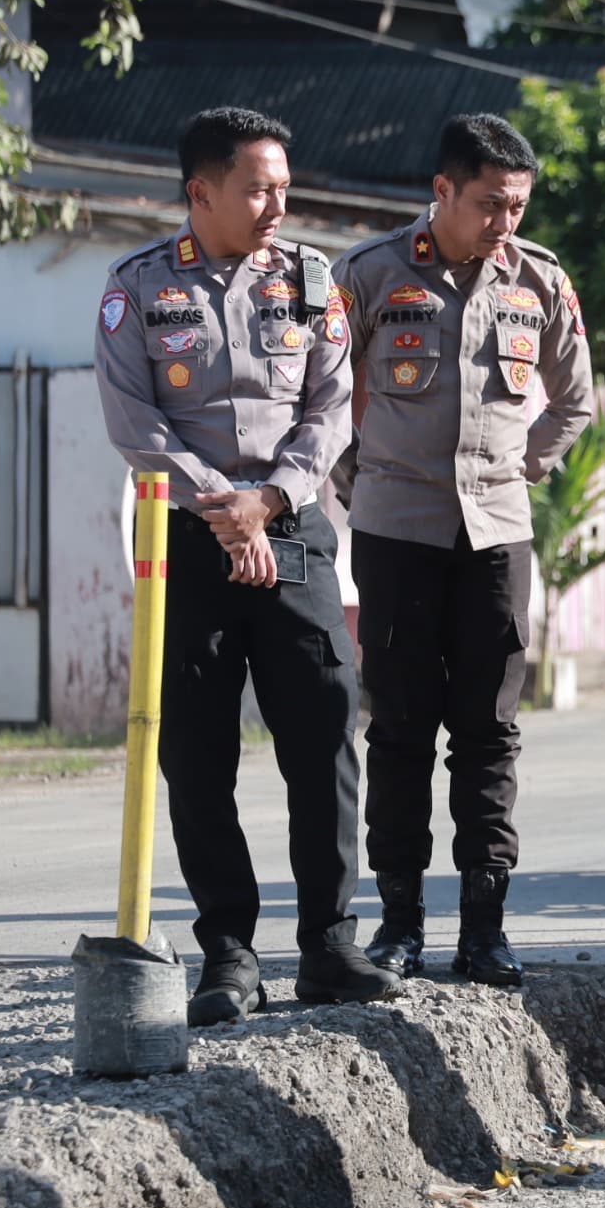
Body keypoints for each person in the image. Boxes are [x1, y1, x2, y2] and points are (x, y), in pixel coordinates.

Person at [95, 106, 395, 1024]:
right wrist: (221, 507)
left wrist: (267, 502)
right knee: (196, 749)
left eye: (283, 188)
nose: (277, 205)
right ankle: (227, 955)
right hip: (185, 537)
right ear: (202, 192)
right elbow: (133, 420)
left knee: (324, 730)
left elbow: (334, 404)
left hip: (294, 528)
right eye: (259, 187)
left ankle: (329, 946)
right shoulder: (137, 287)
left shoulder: (310, 281)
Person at [333, 114, 594, 991]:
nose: (504, 224)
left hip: (496, 536)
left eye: (517, 207)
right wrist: (353, 479)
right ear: (442, 191)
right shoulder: (368, 275)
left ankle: (484, 927)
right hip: (397, 532)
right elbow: (318, 396)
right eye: (489, 204)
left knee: (490, 734)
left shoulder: (541, 282)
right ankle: (400, 924)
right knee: (401, 728)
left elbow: (575, 400)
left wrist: (527, 468)